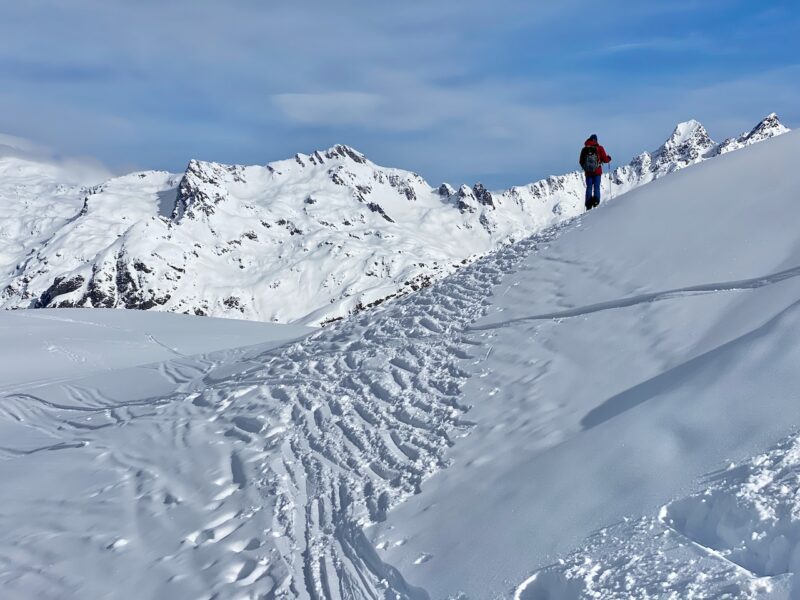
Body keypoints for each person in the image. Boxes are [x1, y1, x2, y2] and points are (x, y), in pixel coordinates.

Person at [579, 134, 612, 210]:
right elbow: (605, 159)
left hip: (588, 173)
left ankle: (588, 204)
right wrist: (609, 158)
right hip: (597, 171)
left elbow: (580, 161)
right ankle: (596, 202)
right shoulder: (599, 148)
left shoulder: (584, 149)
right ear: (596, 140)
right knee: (596, 187)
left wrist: (586, 168)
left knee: (589, 187)